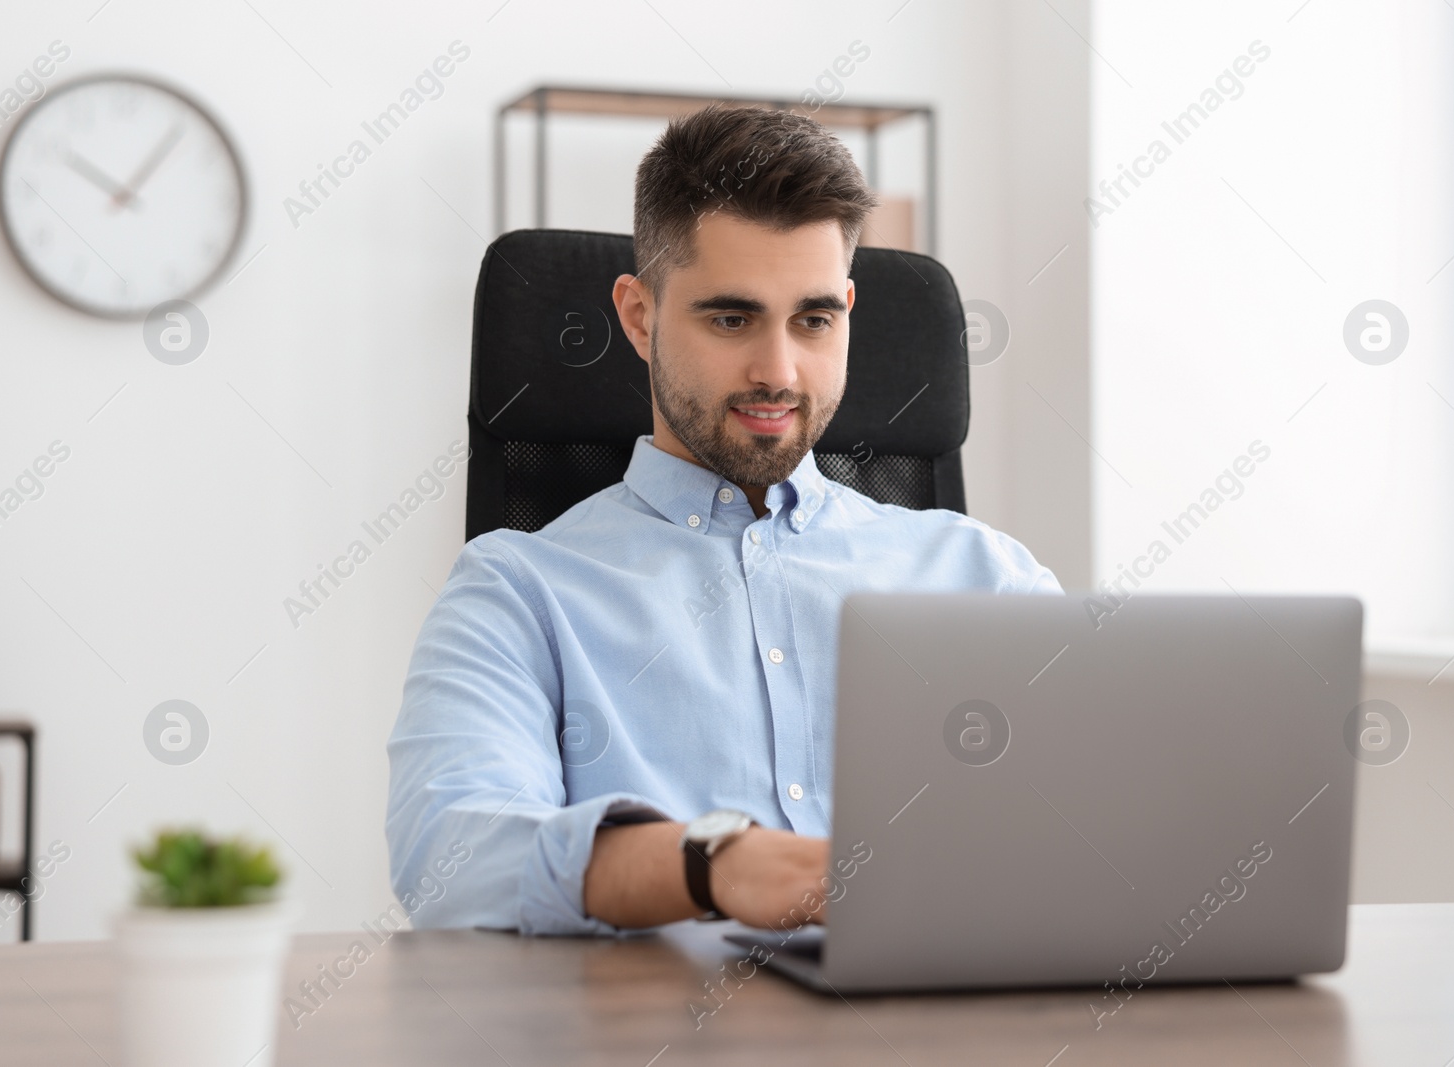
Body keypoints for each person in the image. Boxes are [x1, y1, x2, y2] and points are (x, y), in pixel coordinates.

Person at [386, 103, 1062, 936]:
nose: (778, 371)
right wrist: (711, 862)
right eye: (732, 318)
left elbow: (1112, 824)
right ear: (639, 316)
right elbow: (447, 856)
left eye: (814, 319)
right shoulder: (519, 590)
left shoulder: (988, 581)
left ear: (848, 309)